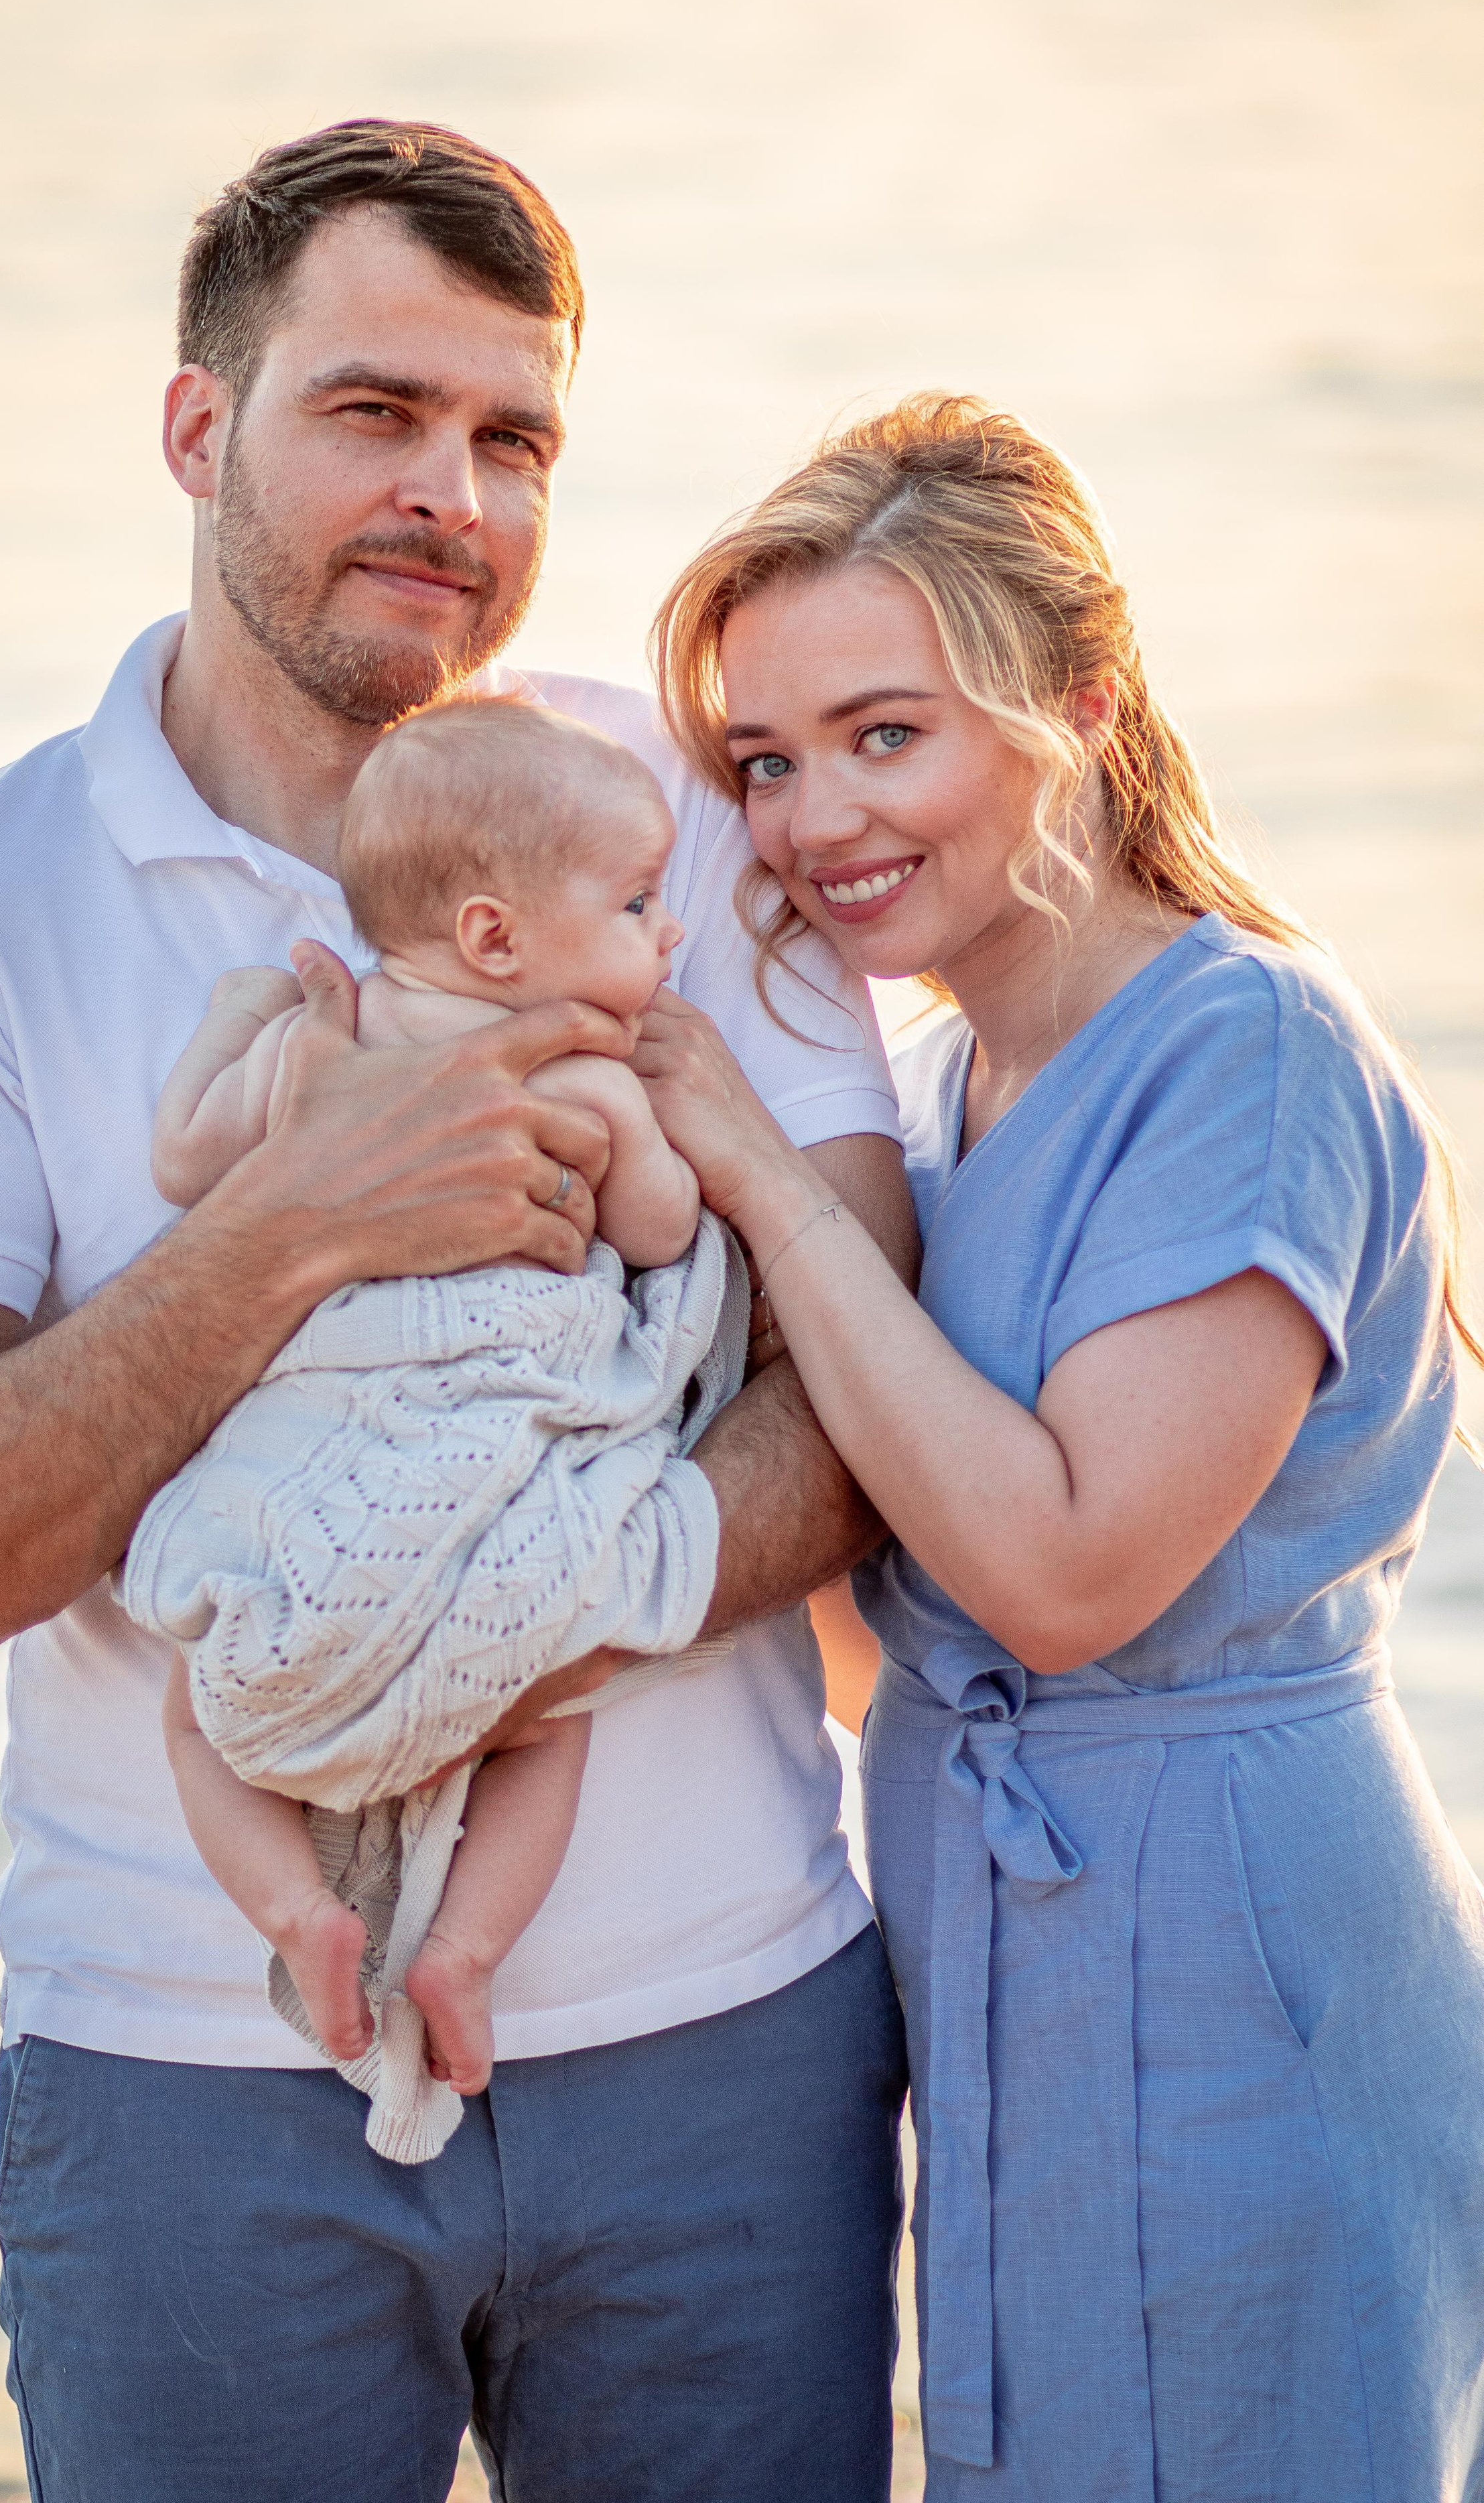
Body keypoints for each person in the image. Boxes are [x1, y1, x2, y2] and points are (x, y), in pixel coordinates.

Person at [0, 126, 913, 2503]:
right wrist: (292, 1227)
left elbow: (866, 1369)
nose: (452, 498)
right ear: (199, 427)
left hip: (726, 2045)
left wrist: (527, 1611)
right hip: (186, 2091)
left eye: (514, 439)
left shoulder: (692, 828)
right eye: (375, 412)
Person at [635, 390, 1484, 2503]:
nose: (813, 819)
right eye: (767, 760)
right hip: (1008, 1960)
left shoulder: (1244, 1046)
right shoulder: (936, 1095)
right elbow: (896, 1625)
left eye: (885, 733)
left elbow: (1066, 1576)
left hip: (1240, 1971)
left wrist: (759, 1171)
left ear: (1079, 704)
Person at [149, 694, 718, 2134]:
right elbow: (659, 1232)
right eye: (637, 903)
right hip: (491, 1478)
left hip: (324, 1458)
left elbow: (184, 1161)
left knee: (201, 1703)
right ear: (495, 940)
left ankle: (298, 1911)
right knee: (551, 1715)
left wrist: (239, 1022)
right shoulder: (582, 1075)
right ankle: (460, 1951)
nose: (669, 931)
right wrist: (668, 1139)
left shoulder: (323, 1042)